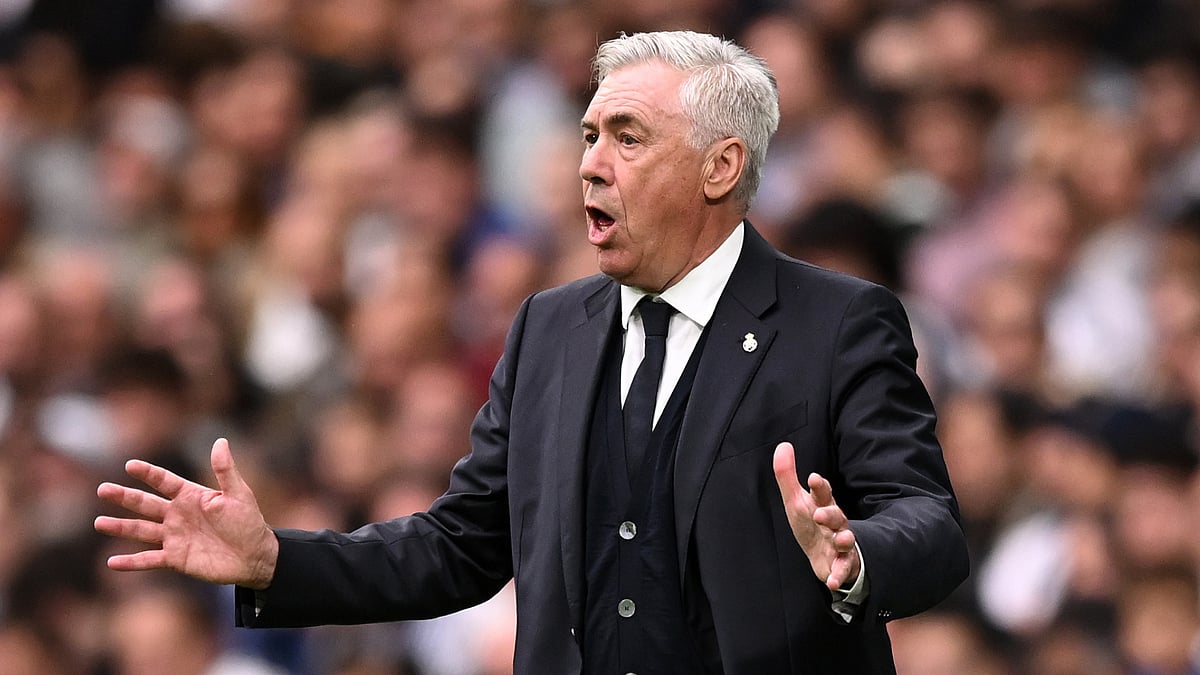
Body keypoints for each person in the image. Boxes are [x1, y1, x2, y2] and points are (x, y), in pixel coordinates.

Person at [96, 30, 968, 674]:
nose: (590, 164)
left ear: (719, 166)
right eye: (589, 135)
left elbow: (928, 520)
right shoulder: (549, 327)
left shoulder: (839, 322)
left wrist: (858, 555)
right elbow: (462, 544)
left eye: (627, 137)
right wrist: (280, 562)